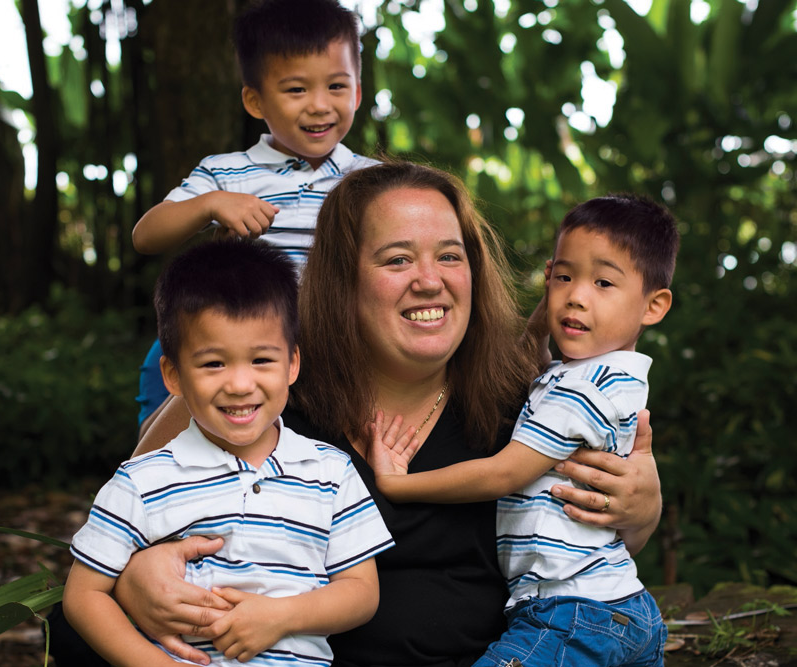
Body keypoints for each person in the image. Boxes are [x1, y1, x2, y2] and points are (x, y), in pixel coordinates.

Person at [52, 162, 664, 667]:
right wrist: (134, 577)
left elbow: (595, 555)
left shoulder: (528, 403)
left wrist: (643, 511)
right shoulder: (262, 393)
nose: (429, 280)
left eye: (450, 257)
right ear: (343, 277)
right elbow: (132, 507)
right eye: (397, 260)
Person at [370, 193, 679, 666]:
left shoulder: (581, 391)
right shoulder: (598, 376)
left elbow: (503, 474)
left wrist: (399, 484)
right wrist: (540, 326)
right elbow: (528, 366)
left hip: (570, 612)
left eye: (603, 282)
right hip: (614, 606)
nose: (576, 296)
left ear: (653, 306)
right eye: (564, 277)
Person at [62, 239, 393, 667]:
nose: (239, 385)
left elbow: (362, 592)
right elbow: (83, 595)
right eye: (214, 364)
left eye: (261, 360)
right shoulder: (142, 482)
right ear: (173, 375)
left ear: (292, 364)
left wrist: (279, 616)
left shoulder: (329, 471)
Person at [132, 0, 375, 429]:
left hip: (327, 352)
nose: (320, 105)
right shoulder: (227, 172)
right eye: (296, 90)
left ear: (357, 92)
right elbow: (146, 236)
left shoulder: (371, 180)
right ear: (255, 100)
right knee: (167, 423)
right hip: (230, 343)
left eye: (336, 86)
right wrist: (209, 204)